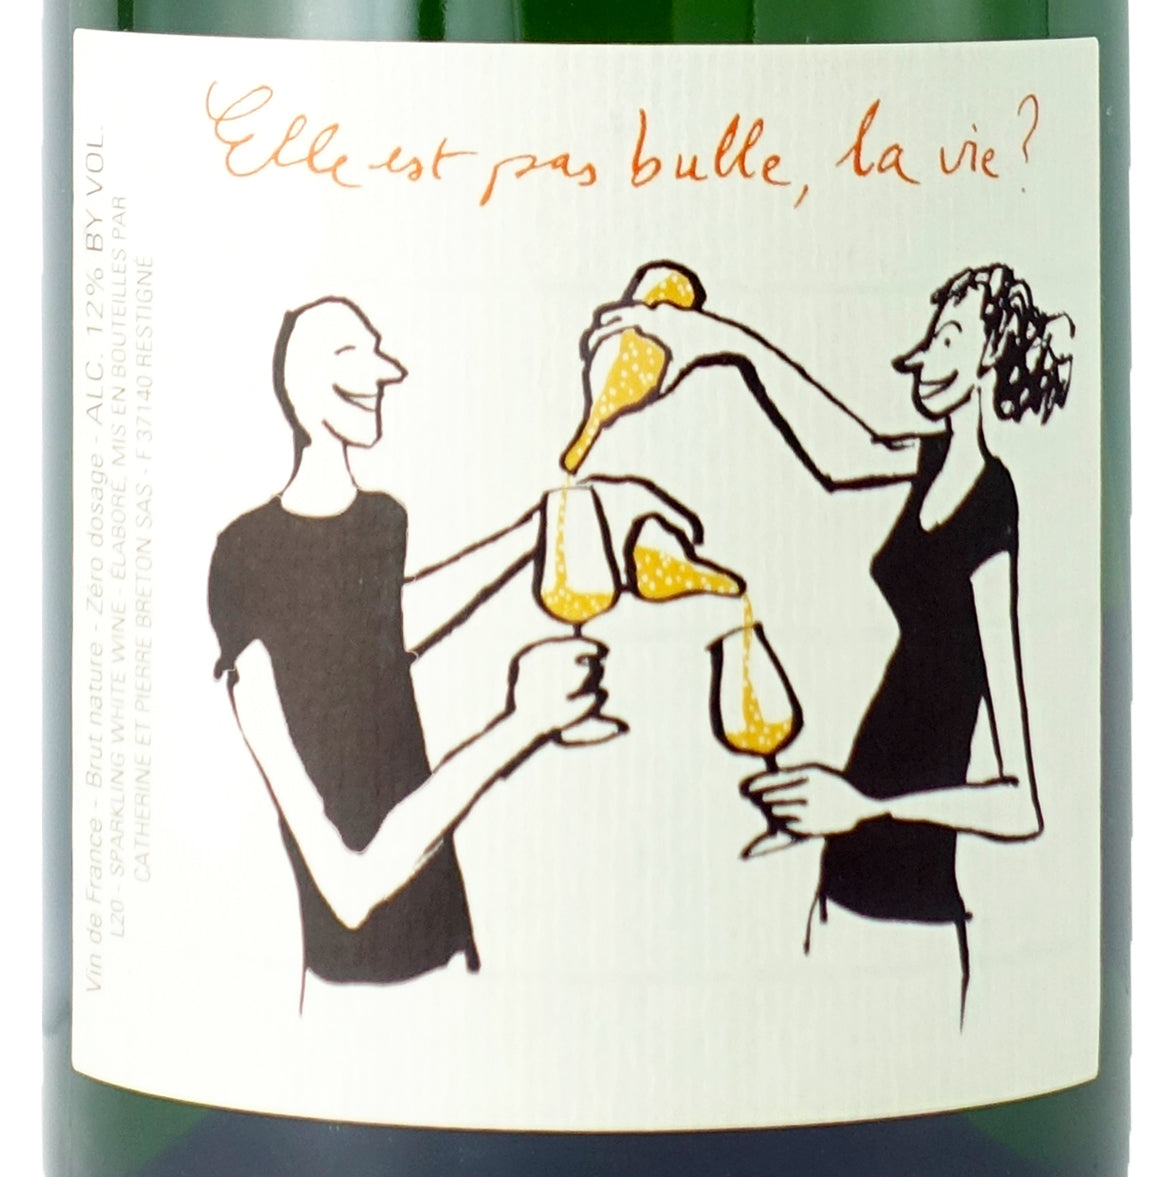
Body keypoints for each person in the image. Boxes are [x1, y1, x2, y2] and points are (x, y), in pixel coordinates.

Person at [584, 264, 1074, 1013]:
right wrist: (720, 341)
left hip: (912, 906)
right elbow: (842, 455)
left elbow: (1020, 804)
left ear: (989, 361)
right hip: (846, 872)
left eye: (951, 336)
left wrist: (863, 807)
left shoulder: (990, 505)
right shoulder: (931, 462)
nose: (926, 353)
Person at [209, 295, 687, 1002]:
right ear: (299, 383)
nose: (385, 371)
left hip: (452, 952)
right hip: (356, 995)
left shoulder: (380, 520)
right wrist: (522, 725)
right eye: (351, 355)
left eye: (378, 351)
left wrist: (547, 524)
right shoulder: (245, 558)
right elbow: (350, 889)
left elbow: (376, 634)